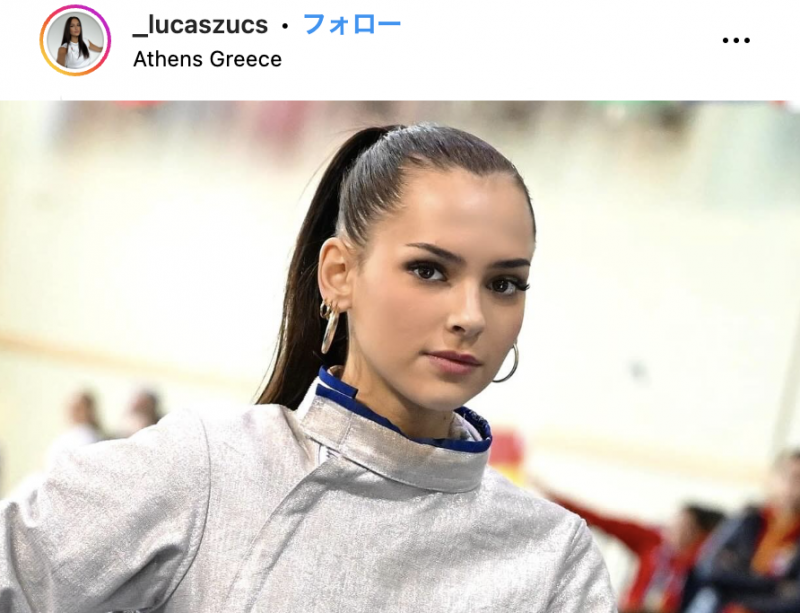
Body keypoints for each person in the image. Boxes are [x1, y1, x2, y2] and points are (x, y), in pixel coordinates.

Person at [0, 124, 616, 611]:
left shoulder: (554, 558)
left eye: (505, 284)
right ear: (339, 274)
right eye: (429, 270)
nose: (471, 316)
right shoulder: (211, 470)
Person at [531, 475, 725, 613]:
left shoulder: (702, 562)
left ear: (700, 533)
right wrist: (554, 496)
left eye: (685, 526)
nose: (674, 529)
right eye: (676, 521)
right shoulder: (653, 540)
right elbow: (603, 521)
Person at [682, 450, 800, 613]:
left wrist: (742, 593)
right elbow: (708, 567)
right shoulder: (748, 519)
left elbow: (795, 600)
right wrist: (772, 584)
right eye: (789, 477)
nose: (793, 486)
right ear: (773, 479)